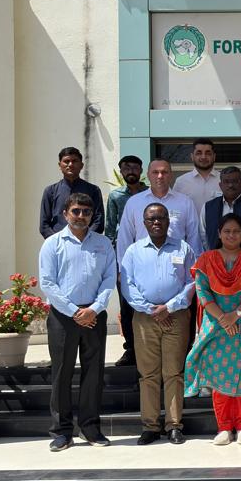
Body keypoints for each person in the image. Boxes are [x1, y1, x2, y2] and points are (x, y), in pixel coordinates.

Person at [187, 213, 241, 446]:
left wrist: (235, 315)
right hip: (216, 326)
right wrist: (223, 319)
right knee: (220, 376)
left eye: (236, 231)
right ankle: (224, 428)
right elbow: (202, 292)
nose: (231, 235)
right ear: (219, 234)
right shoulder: (206, 260)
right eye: (227, 231)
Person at [37, 192, 115, 451]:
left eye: (86, 212)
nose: (81, 216)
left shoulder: (103, 244)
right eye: (76, 211)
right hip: (63, 317)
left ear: (92, 215)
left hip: (94, 316)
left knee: (94, 374)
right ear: (65, 214)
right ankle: (61, 431)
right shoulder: (52, 244)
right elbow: (48, 283)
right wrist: (74, 311)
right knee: (62, 373)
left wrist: (94, 309)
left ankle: (90, 428)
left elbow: (109, 279)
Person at [121, 203, 195, 445]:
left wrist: (169, 307)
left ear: (168, 221)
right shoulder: (133, 251)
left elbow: (191, 283)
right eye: (151, 219)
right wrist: (149, 308)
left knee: (173, 372)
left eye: (161, 218)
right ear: (144, 223)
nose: (156, 222)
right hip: (145, 318)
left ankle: (174, 425)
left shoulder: (183, 248)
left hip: (176, 317)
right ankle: (150, 426)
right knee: (148, 374)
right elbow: (127, 285)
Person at [116, 159, 203, 261]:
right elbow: (125, 238)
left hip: (177, 264)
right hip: (143, 263)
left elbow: (194, 237)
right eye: (155, 172)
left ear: (171, 175)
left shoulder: (185, 202)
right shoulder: (134, 202)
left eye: (164, 172)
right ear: (148, 175)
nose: (160, 176)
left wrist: (195, 265)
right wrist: (123, 267)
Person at [104, 154, 145, 366]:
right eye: (126, 167)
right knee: (127, 304)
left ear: (141, 170)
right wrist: (114, 261)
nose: (131, 171)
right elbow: (110, 229)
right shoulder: (116, 196)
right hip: (124, 258)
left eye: (134, 167)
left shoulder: (149, 193)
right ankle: (131, 349)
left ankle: (149, 347)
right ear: (121, 172)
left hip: (147, 256)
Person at [39, 146, 104, 237]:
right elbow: (44, 225)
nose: (70, 164)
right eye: (66, 161)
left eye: (74, 161)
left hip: (87, 242)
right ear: (60, 165)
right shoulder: (50, 191)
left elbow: (98, 221)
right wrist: (57, 241)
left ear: (81, 165)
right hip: (58, 243)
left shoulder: (93, 190)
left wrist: (85, 239)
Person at [173, 138, 222, 246]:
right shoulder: (181, 182)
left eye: (208, 153)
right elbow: (175, 211)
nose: (203, 157)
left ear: (214, 156)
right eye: (199, 153)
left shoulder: (223, 180)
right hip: (189, 240)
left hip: (219, 240)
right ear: (192, 156)